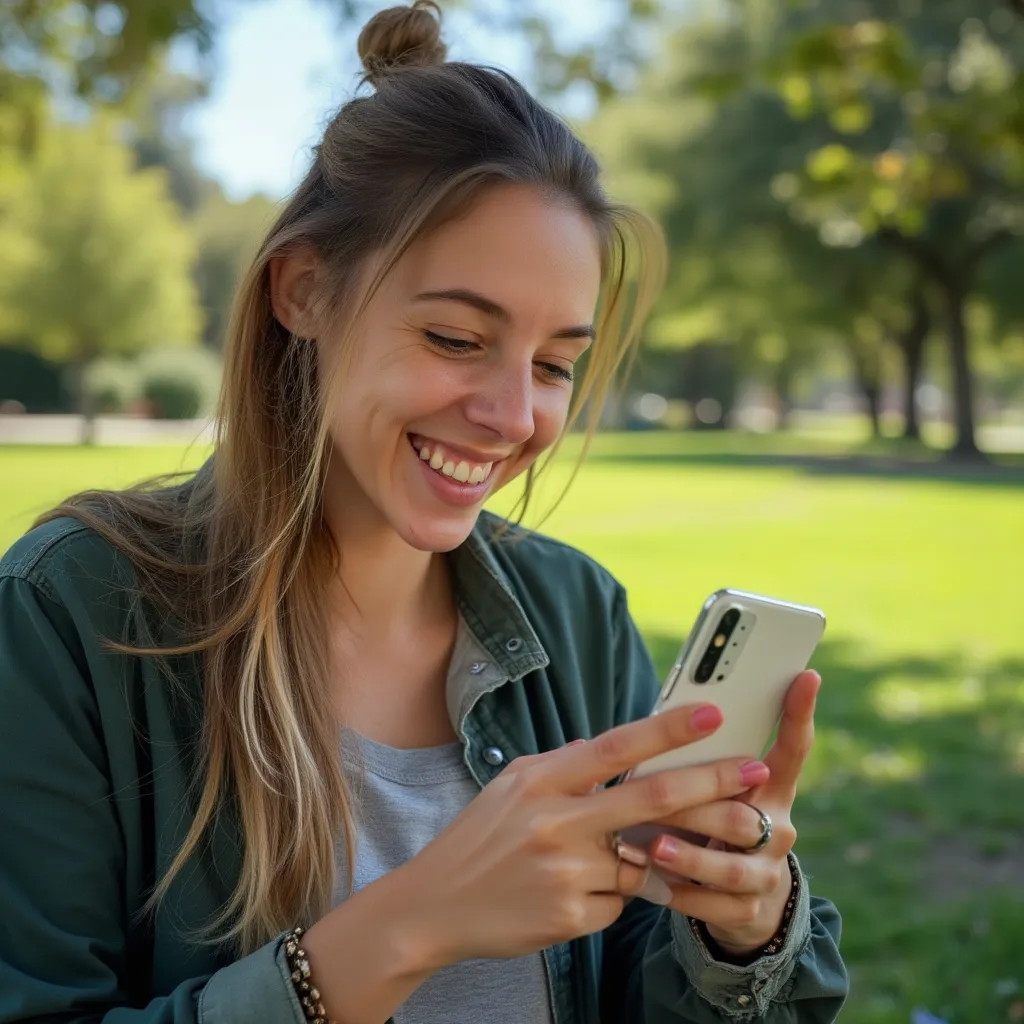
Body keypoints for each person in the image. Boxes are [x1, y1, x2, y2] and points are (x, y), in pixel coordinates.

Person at [0, 3, 848, 1022]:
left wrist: (737, 932)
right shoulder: (67, 613)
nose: (508, 415)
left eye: (552, 365)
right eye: (454, 337)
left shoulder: (574, 609)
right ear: (305, 291)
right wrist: (412, 922)